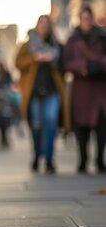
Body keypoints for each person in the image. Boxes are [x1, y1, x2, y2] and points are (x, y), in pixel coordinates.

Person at [16, 15, 69, 174]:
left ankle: (49, 159)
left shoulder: (56, 45)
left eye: (47, 24)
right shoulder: (28, 45)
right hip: (34, 92)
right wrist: (35, 58)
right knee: (36, 126)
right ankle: (37, 155)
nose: (44, 26)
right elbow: (18, 63)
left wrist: (53, 59)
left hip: (52, 91)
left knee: (51, 123)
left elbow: (64, 66)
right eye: (42, 23)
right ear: (37, 25)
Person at [63, 7, 106, 174]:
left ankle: (100, 160)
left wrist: (99, 64)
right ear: (80, 20)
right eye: (83, 18)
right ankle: (83, 160)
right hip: (81, 91)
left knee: (102, 127)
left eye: (88, 18)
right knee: (82, 129)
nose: (86, 21)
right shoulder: (73, 40)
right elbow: (66, 63)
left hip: (100, 90)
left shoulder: (102, 37)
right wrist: (82, 67)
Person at [0, 62, 15, 150]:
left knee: (6, 120)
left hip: (5, 102)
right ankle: (3, 138)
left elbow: (10, 85)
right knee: (0, 120)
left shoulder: (6, 75)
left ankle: (5, 138)